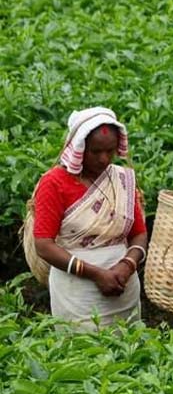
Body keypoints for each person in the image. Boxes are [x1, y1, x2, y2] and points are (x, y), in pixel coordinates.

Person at [31, 107, 148, 329]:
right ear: (79, 148)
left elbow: (139, 233)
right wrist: (95, 274)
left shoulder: (122, 179)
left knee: (129, 353)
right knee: (80, 352)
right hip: (77, 292)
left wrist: (127, 265)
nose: (104, 158)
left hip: (123, 286)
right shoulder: (54, 183)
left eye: (110, 151)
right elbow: (43, 245)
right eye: (95, 152)